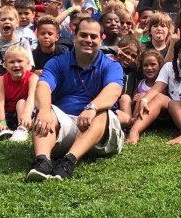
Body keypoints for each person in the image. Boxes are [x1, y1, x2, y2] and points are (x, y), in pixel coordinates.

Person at [26, 18, 125, 181]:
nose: (88, 40)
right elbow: (43, 86)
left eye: (93, 36)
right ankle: (42, 162)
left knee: (102, 112)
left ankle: (68, 162)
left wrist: (92, 107)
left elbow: (113, 90)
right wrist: (43, 110)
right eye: (83, 35)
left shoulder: (111, 65)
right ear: (74, 36)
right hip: (65, 128)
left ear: (101, 39)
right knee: (45, 109)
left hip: (99, 134)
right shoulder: (57, 63)